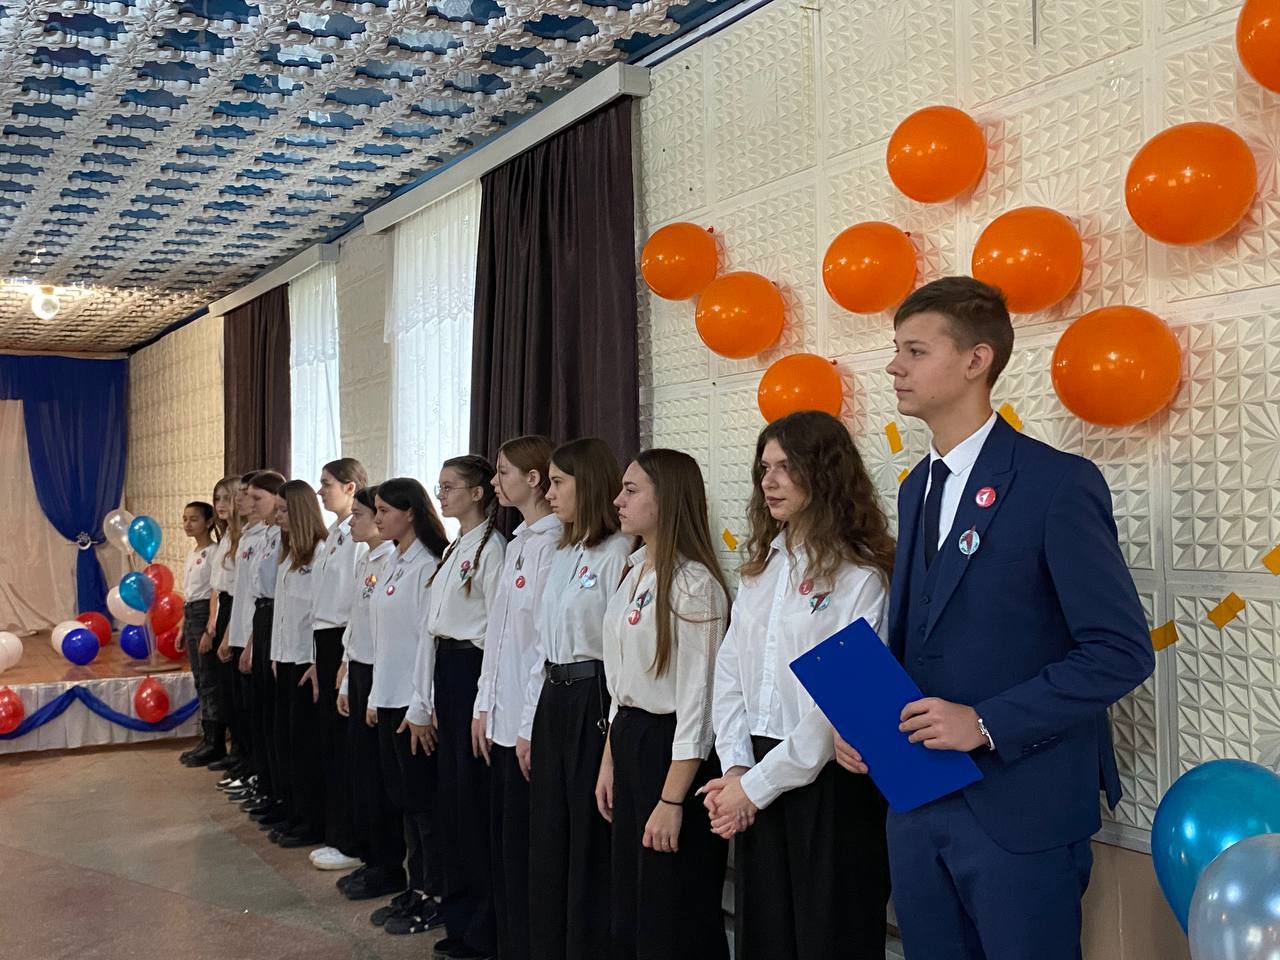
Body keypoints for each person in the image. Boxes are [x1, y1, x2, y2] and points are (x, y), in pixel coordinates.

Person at [833, 276, 1154, 960]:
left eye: (915, 351)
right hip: (918, 801)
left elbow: (1120, 651)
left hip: (1022, 807)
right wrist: (863, 722)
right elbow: (922, 630)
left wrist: (985, 722)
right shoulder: (916, 486)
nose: (893, 366)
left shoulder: (1056, 483)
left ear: (976, 360)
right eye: (897, 350)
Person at [702, 411, 894, 960]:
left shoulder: (861, 575)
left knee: (830, 939)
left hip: (829, 782)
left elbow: (840, 704)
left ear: (825, 471)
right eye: (764, 468)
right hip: (756, 775)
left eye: (786, 466)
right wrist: (735, 768)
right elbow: (730, 673)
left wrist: (755, 786)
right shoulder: (760, 570)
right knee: (765, 939)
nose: (769, 481)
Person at [596, 449, 730, 960]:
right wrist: (609, 761)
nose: (618, 500)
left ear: (667, 498)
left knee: (672, 906)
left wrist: (672, 800)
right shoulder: (633, 572)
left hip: (672, 753)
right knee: (631, 902)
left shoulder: (695, 585)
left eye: (631, 490)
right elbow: (621, 687)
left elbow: (699, 707)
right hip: (630, 737)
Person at [522, 438, 632, 960]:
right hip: (554, 693)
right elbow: (542, 641)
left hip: (594, 693)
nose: (549, 493)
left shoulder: (619, 552)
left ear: (586, 484)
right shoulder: (564, 552)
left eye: (558, 482)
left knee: (587, 833)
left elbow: (618, 647)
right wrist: (530, 720)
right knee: (549, 828)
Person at [408, 455, 506, 958]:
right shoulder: (454, 549)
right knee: (451, 801)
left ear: (478, 493)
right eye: (439, 487)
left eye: (450, 487)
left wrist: (482, 702)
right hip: (447, 670)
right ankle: (459, 913)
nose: (441, 495)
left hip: (473, 671)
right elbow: (433, 626)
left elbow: (497, 631)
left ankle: (483, 926)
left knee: (471, 801)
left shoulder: (494, 549)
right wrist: (423, 701)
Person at [472, 436, 561, 960]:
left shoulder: (551, 545)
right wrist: (484, 703)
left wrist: (527, 722)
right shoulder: (519, 542)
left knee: (529, 849)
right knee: (503, 843)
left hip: (528, 719)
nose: (495, 481)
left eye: (503, 472)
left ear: (534, 479)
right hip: (501, 711)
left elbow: (542, 649)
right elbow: (498, 634)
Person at [367, 478, 450, 935]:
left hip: (413, 704)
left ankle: (435, 892)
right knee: (402, 800)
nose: (377, 518)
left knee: (424, 806)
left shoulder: (428, 566)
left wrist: (422, 706)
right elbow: (385, 639)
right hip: (389, 696)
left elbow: (427, 643)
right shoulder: (394, 561)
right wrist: (375, 697)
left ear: (410, 512)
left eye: (384, 510)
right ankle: (416, 885)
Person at [334, 485, 406, 902]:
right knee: (361, 770)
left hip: (382, 676)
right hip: (360, 670)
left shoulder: (393, 559)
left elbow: (388, 634)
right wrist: (347, 679)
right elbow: (356, 625)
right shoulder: (366, 559)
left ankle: (388, 865)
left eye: (362, 514)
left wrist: (375, 691)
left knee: (380, 777)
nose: (358, 522)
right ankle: (371, 858)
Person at [308, 457, 369, 873]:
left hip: (346, 639)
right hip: (327, 639)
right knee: (329, 742)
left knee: (345, 746)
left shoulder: (359, 537)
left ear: (350, 488)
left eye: (327, 483)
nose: (320, 491)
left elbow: (353, 603)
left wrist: (344, 658)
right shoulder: (334, 533)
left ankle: (349, 838)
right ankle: (335, 831)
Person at [268, 479, 328, 848]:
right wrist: (276, 654)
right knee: (287, 741)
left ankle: (311, 820)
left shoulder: (319, 552)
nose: (277, 517)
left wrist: (317, 662)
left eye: (283, 510)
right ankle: (292, 810)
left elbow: (319, 615)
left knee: (306, 746)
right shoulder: (288, 555)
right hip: (287, 657)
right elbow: (282, 614)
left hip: (307, 660)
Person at [238, 470, 286, 824]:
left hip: (277, 621)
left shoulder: (284, 538)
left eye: (258, 498)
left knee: (274, 714)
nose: (250, 504)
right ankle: (267, 785)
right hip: (262, 617)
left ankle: (278, 791)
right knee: (261, 714)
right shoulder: (267, 535)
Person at [177, 500, 222, 767]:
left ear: (209, 522)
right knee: (199, 678)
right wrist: (182, 626)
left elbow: (215, 591)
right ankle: (207, 737)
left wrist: (209, 629)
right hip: (192, 613)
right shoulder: (193, 552)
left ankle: (216, 741)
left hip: (206, 614)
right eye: (185, 519)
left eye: (194, 519)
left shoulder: (215, 552)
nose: (187, 524)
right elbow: (189, 593)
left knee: (209, 679)